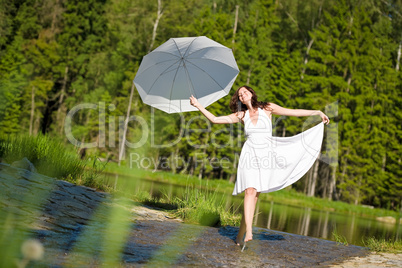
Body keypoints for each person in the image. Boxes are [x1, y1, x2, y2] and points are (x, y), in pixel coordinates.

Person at [189, 85, 330, 250]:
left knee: (254, 197)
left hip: (266, 156)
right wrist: (198, 105)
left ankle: (239, 236)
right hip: (249, 154)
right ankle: (249, 230)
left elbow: (293, 111)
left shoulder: (267, 107)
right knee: (249, 191)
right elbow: (215, 119)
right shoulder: (241, 115)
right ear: (239, 100)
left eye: (245, 92)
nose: (243, 95)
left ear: (251, 93)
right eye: (240, 95)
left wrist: (317, 112)